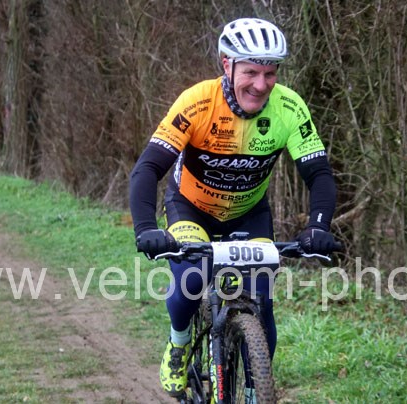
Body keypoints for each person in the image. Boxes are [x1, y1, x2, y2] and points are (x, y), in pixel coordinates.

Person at [129, 17, 338, 399]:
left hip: (248, 213)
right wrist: (146, 228)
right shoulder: (197, 102)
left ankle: (258, 391)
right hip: (191, 207)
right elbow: (147, 168)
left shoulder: (289, 108)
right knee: (192, 278)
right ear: (227, 64)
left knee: (262, 301)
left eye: (270, 73)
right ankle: (178, 344)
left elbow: (319, 174)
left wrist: (318, 226)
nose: (261, 84)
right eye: (251, 72)